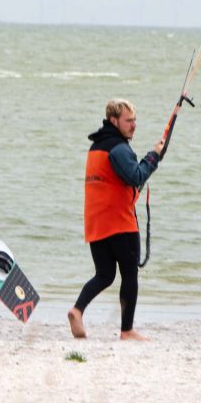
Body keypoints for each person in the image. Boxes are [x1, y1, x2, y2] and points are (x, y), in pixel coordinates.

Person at [68, 99, 166, 341]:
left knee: (104, 274)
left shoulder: (97, 147)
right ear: (114, 121)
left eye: (135, 120)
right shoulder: (119, 148)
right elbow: (136, 176)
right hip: (120, 223)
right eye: (128, 121)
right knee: (129, 275)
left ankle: (77, 310)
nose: (134, 125)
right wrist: (153, 157)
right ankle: (127, 331)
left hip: (96, 222)